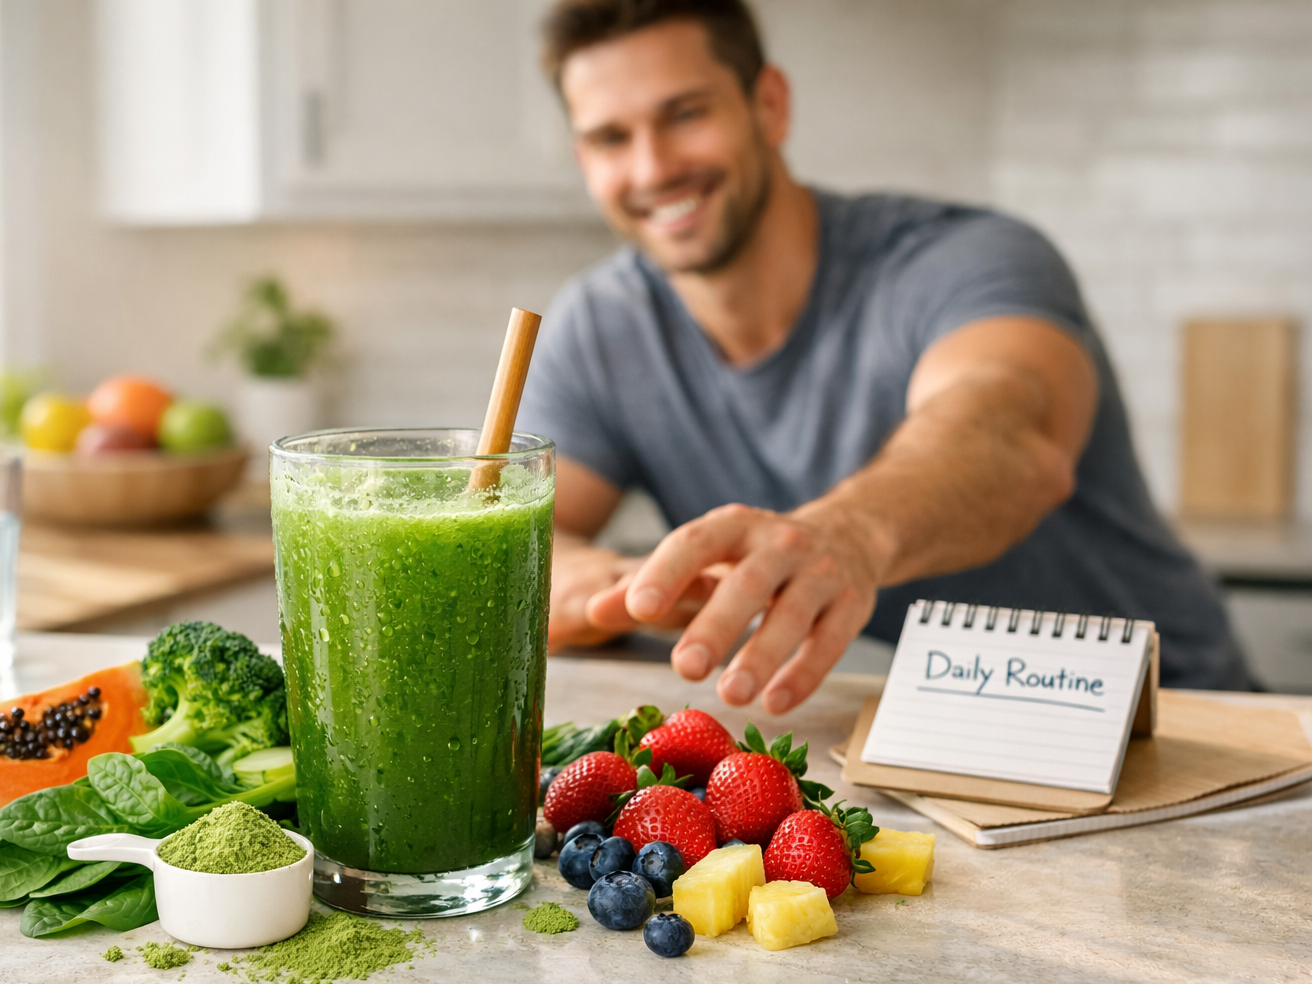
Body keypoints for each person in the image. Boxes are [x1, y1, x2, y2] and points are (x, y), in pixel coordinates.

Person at [516, 0, 1249, 713]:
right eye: (612, 138)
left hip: (1173, 717)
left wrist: (850, 535)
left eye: (686, 114)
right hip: (931, 736)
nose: (653, 168)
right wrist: (628, 586)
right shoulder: (599, 328)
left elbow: (1009, 434)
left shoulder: (963, 258)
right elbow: (525, 550)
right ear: (584, 158)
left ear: (768, 104)